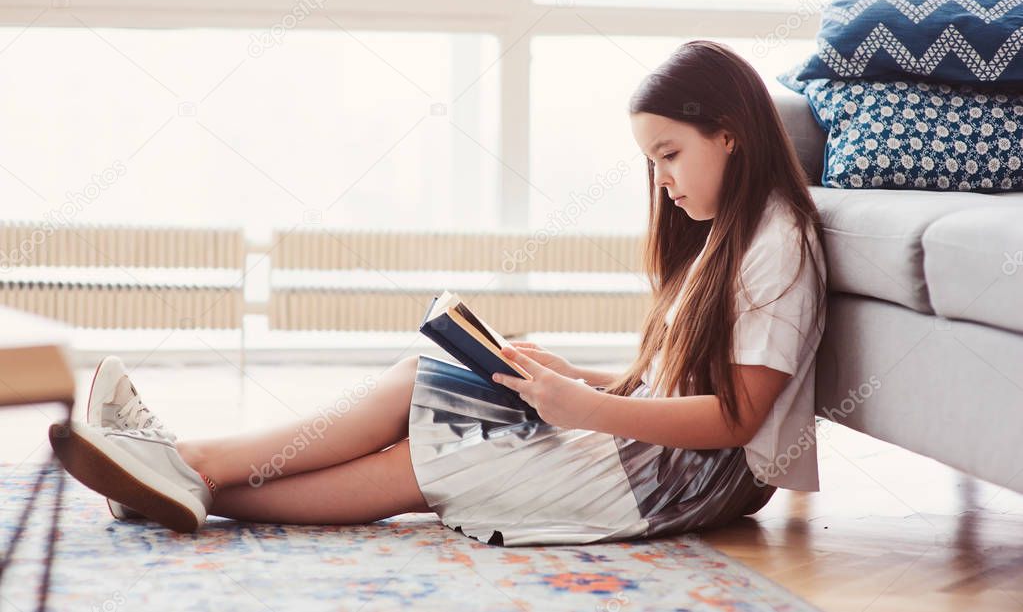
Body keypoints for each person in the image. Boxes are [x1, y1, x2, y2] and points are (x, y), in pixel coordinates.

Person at [48, 39, 827, 547]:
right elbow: (676, 387)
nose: (659, 181)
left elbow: (737, 418)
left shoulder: (776, 242)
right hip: (645, 450)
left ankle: (178, 471)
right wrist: (573, 378)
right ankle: (181, 469)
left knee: (430, 457)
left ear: (728, 130)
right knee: (424, 376)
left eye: (668, 155)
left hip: (677, 479)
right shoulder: (730, 233)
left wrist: (583, 406)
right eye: (650, 162)